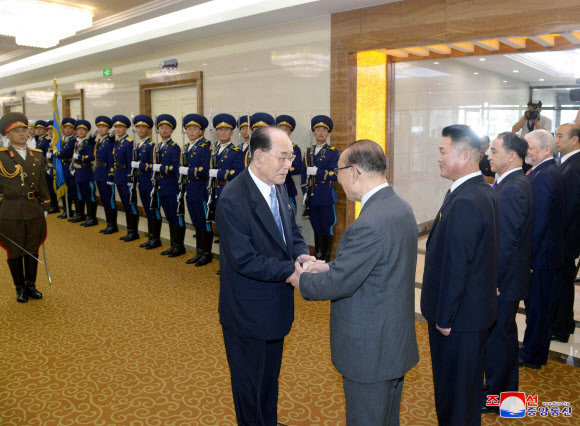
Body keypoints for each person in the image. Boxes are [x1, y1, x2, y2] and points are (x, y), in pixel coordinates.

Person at [288, 139, 419, 426]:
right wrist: (330, 266)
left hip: (369, 350)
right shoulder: (400, 207)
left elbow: (340, 284)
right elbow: (376, 266)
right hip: (393, 342)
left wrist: (303, 279)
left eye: (338, 171)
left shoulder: (369, 223)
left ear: (355, 172)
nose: (337, 179)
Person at [216, 126, 313, 426]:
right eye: (283, 157)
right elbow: (244, 260)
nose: (289, 165)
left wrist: (301, 254)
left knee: (269, 382)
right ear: (258, 157)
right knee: (249, 389)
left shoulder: (278, 184)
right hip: (248, 312)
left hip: (276, 308)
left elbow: (291, 231)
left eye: (291, 157)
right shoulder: (233, 198)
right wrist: (291, 271)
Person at [421, 124, 499, 426]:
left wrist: (444, 318)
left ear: (465, 155)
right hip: (471, 315)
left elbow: (457, 266)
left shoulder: (467, 200)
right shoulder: (479, 190)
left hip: (458, 322)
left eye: (443, 151)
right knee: (462, 395)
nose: (438, 157)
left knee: (456, 400)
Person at [482, 132, 534, 414]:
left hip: (505, 282)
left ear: (511, 156)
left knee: (500, 340)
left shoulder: (513, 188)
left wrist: (494, 281)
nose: (488, 155)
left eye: (494, 150)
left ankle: (499, 398)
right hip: (509, 277)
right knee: (502, 337)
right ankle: (500, 389)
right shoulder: (511, 183)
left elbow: (505, 243)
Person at [519, 129, 565, 369]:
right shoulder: (543, 171)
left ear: (547, 149)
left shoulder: (545, 175)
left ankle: (532, 355)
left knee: (538, 309)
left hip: (542, 258)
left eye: (530, 146)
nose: (525, 150)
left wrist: (529, 259)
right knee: (538, 308)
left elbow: (540, 221)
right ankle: (533, 350)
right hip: (545, 255)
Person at [0, 113, 50, 303]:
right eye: (16, 131)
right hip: (10, 210)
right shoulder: (1, 157)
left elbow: (42, 183)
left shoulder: (36, 156)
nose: (22, 134)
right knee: (14, 249)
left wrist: (46, 204)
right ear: (7, 135)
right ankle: (19, 287)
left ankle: (31, 284)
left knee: (31, 247)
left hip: (33, 208)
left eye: (24, 130)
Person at [550, 124, 580, 343]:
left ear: (575, 140)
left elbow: (570, 207)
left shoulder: (575, 166)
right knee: (561, 281)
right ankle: (563, 323)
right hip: (565, 236)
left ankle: (561, 328)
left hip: (566, 237)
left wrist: (557, 237)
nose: (556, 140)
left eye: (560, 136)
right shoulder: (567, 162)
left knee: (562, 281)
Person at [301, 115, 340, 261]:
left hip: (325, 195)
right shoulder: (307, 151)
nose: (320, 133)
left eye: (324, 130)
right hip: (312, 196)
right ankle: (318, 257)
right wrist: (305, 192)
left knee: (326, 227)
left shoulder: (332, 152)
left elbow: (336, 174)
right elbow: (304, 176)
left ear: (328, 133)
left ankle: (326, 259)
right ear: (313, 133)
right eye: (317, 130)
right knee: (316, 227)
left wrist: (318, 172)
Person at [179, 113, 213, 266]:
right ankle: (199, 251)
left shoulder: (206, 145)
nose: (191, 132)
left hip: (201, 188)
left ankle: (206, 253)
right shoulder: (186, 147)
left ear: (201, 131)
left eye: (195, 129)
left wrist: (189, 171)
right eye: (189, 129)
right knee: (195, 221)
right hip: (190, 188)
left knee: (204, 221)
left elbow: (206, 169)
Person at [154, 114, 185, 257]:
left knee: (176, 215)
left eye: (167, 128)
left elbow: (175, 167)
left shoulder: (174, 147)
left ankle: (179, 246)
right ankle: (173, 244)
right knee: (169, 216)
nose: (164, 130)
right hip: (162, 185)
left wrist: (160, 168)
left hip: (171, 185)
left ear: (172, 130)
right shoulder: (158, 146)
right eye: (161, 127)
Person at [131, 114, 161, 249]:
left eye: (143, 127)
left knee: (153, 210)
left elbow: (153, 166)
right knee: (148, 211)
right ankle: (151, 237)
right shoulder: (138, 145)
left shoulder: (152, 146)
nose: (140, 130)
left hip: (150, 182)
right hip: (141, 181)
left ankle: (156, 238)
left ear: (148, 129)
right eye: (138, 127)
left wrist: (140, 166)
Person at [112, 115, 140, 242]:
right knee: (125, 203)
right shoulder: (118, 142)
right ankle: (129, 230)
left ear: (126, 128)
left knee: (131, 205)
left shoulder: (129, 143)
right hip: (119, 175)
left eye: (120, 127)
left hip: (126, 176)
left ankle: (133, 232)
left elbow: (131, 162)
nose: (117, 129)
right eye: (116, 127)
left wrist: (131, 178)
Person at [93, 116, 118, 235]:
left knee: (110, 200)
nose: (100, 129)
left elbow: (112, 159)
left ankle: (113, 225)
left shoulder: (109, 141)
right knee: (104, 199)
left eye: (103, 127)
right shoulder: (99, 141)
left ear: (108, 129)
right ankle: (109, 223)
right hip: (99, 172)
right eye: (99, 127)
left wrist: (111, 174)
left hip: (106, 172)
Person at [72, 120, 98, 227]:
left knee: (89, 195)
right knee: (79, 193)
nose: (81, 132)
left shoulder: (89, 143)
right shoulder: (76, 142)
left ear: (87, 132)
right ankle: (81, 214)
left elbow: (92, 157)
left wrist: (80, 158)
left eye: (83, 130)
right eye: (78, 130)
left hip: (86, 171)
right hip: (78, 171)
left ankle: (92, 218)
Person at [276, 114, 302, 214]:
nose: (282, 131)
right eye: (280, 129)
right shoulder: (269, 147)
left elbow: (297, 168)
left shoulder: (294, 148)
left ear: (290, 132)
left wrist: (280, 167)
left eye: (285, 129)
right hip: (271, 186)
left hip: (287, 186)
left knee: (290, 218)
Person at [54, 117, 77, 220]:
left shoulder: (73, 140)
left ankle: (73, 212)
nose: (67, 130)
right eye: (65, 128)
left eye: (70, 128)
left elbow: (66, 152)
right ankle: (66, 210)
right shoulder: (62, 140)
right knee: (63, 189)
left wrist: (57, 154)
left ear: (73, 130)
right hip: (62, 166)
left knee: (72, 190)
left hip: (69, 166)